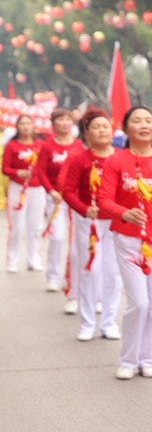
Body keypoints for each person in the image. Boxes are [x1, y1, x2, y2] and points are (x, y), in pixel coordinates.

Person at [96, 106, 152, 380]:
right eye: (137, 120)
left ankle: (148, 358)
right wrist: (124, 212)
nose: (144, 125)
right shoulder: (116, 161)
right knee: (139, 302)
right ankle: (128, 359)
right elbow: (104, 199)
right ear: (126, 128)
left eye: (149, 120)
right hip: (128, 239)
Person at [62, 108, 122, 341]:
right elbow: (67, 191)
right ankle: (86, 323)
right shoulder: (80, 158)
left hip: (116, 223)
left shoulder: (120, 156)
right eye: (95, 127)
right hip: (90, 222)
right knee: (90, 270)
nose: (101, 130)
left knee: (113, 274)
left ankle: (108, 322)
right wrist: (84, 210)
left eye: (105, 126)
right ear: (86, 133)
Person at [37, 108, 84, 297]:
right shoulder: (47, 147)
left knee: (76, 241)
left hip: (76, 198)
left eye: (68, 119)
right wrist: (51, 191)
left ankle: (72, 278)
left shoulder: (80, 145)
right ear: (53, 123)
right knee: (57, 237)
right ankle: (52, 277)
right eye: (60, 119)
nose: (65, 123)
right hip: (55, 199)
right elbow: (41, 171)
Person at [3, 115, 44, 273]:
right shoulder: (12, 146)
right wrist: (18, 172)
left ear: (33, 126)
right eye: (22, 124)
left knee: (36, 226)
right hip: (17, 188)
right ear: (17, 126)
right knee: (17, 226)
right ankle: (12, 260)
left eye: (29, 123)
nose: (26, 126)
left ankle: (33, 259)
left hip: (37, 188)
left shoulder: (40, 145)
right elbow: (5, 169)